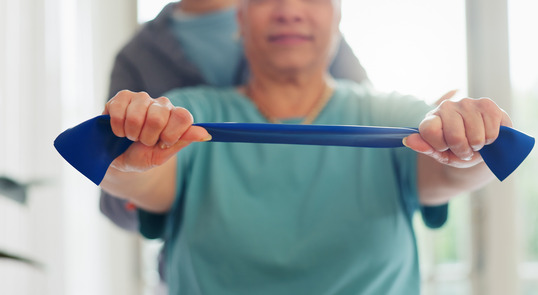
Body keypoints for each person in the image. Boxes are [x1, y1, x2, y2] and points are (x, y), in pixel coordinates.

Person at [100, 0, 511, 294]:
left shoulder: (390, 113)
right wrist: (122, 162)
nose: (289, 9)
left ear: (337, 17)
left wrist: (474, 144)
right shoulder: (193, 111)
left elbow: (453, 171)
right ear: (240, 19)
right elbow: (137, 180)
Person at [100, 0, 369, 232]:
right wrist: (149, 187)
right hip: (204, 254)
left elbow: (367, 132)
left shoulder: (298, 22)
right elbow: (117, 194)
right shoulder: (136, 57)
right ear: (242, 21)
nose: (289, 13)